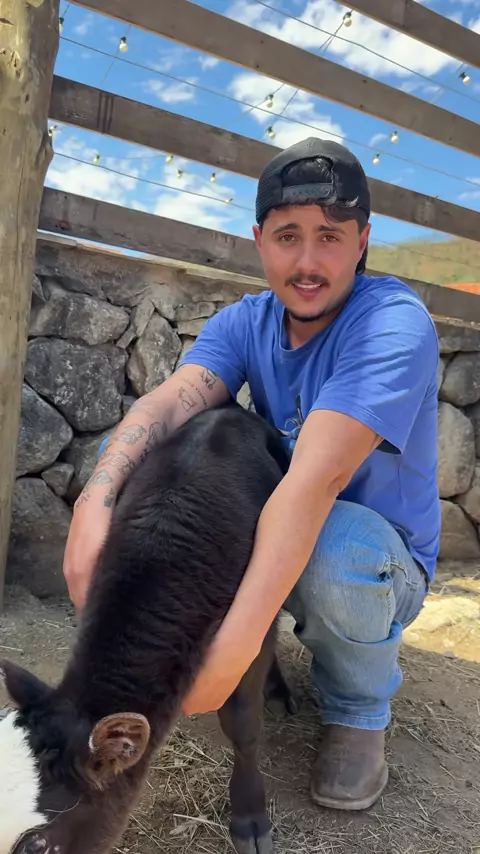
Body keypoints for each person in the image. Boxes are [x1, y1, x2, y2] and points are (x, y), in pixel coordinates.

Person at [63, 137, 440, 812]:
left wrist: (234, 649)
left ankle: (359, 711)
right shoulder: (246, 321)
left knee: (330, 544)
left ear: (362, 242)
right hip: (296, 531)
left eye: (330, 237)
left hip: (375, 560)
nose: (307, 262)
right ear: (259, 240)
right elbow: (170, 404)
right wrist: (96, 499)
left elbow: (315, 481)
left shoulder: (392, 323)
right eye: (288, 236)